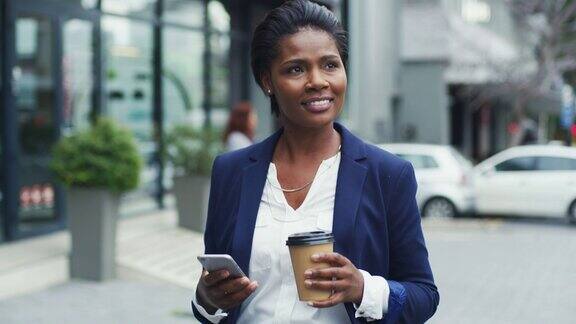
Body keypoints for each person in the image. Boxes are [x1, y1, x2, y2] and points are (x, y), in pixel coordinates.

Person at [192, 1, 439, 323]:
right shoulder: (232, 171)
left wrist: (363, 287)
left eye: (330, 65)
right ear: (268, 81)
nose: (317, 81)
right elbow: (215, 298)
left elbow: (424, 295)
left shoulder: (388, 174)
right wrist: (206, 300)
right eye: (295, 68)